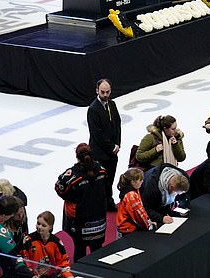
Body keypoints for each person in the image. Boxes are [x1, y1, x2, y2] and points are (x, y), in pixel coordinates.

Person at [55, 143, 107, 261]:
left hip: (80, 220)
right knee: (97, 250)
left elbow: (59, 189)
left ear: (77, 156)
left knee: (79, 249)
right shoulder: (101, 170)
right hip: (99, 218)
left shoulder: (72, 175)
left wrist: (71, 197)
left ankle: (79, 273)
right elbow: (107, 189)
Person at [87, 78, 121, 211]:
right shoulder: (93, 109)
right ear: (97, 91)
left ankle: (108, 200)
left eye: (108, 92)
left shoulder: (112, 104)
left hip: (113, 151)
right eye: (103, 92)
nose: (105, 95)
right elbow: (97, 134)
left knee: (110, 178)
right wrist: (111, 147)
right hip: (100, 153)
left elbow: (117, 124)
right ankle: (102, 203)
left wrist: (117, 143)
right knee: (101, 181)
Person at [20, 211, 74, 277]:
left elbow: (63, 263)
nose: (39, 227)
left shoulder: (56, 242)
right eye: (38, 223)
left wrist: (69, 276)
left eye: (43, 225)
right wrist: (31, 275)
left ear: (50, 227)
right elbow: (25, 261)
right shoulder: (28, 240)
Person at [116, 168, 155, 237]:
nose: (142, 181)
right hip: (127, 229)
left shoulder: (133, 190)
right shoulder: (131, 195)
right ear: (133, 182)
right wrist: (149, 225)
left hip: (126, 227)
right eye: (140, 180)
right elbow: (138, 214)